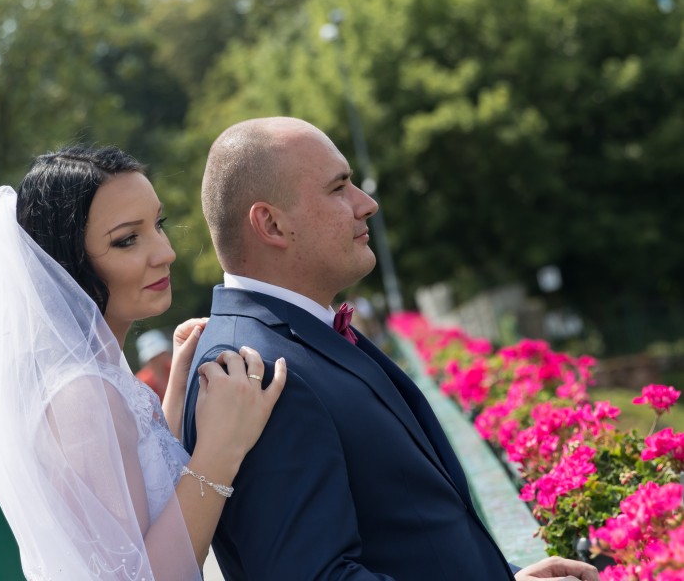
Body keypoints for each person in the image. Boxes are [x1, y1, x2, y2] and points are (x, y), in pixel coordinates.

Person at [182, 117, 600, 581]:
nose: (367, 203)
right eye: (338, 188)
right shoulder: (254, 370)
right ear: (271, 223)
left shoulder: (291, 337)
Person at [0, 145, 286, 580]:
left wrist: (178, 385)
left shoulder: (100, 377)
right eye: (127, 239)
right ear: (66, 262)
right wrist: (221, 448)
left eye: (158, 225)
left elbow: (145, 487)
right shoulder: (80, 396)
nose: (165, 252)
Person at [135, 329, 173, 401]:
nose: (159, 360)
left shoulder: (175, 369)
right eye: (154, 358)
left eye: (161, 354)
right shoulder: (141, 383)